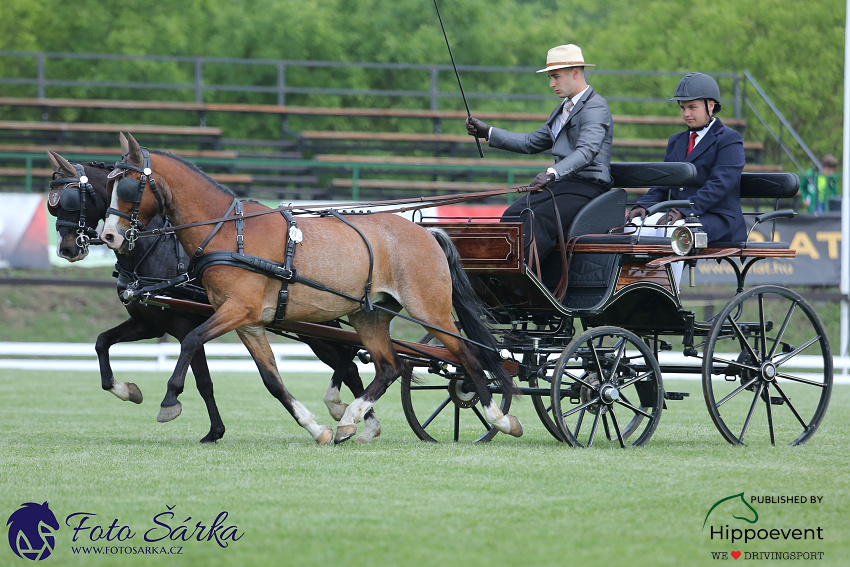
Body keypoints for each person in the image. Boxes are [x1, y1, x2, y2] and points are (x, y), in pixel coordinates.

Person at [466, 44, 613, 284]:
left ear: (574, 72)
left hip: (587, 188)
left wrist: (553, 172)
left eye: (555, 76)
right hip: (564, 185)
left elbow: (586, 152)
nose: (551, 84)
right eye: (550, 77)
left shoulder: (595, 108)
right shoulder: (563, 109)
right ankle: (500, 276)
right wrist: (488, 132)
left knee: (539, 217)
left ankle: (517, 281)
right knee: (513, 213)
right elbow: (531, 142)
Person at [626, 72, 746, 287]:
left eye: (692, 107)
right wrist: (644, 206)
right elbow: (664, 182)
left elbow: (720, 184)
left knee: (676, 230)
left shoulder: (729, 139)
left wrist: (687, 210)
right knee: (635, 226)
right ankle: (638, 290)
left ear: (710, 106)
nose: (686, 114)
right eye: (682, 108)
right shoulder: (677, 141)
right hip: (679, 213)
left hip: (715, 216)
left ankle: (669, 295)